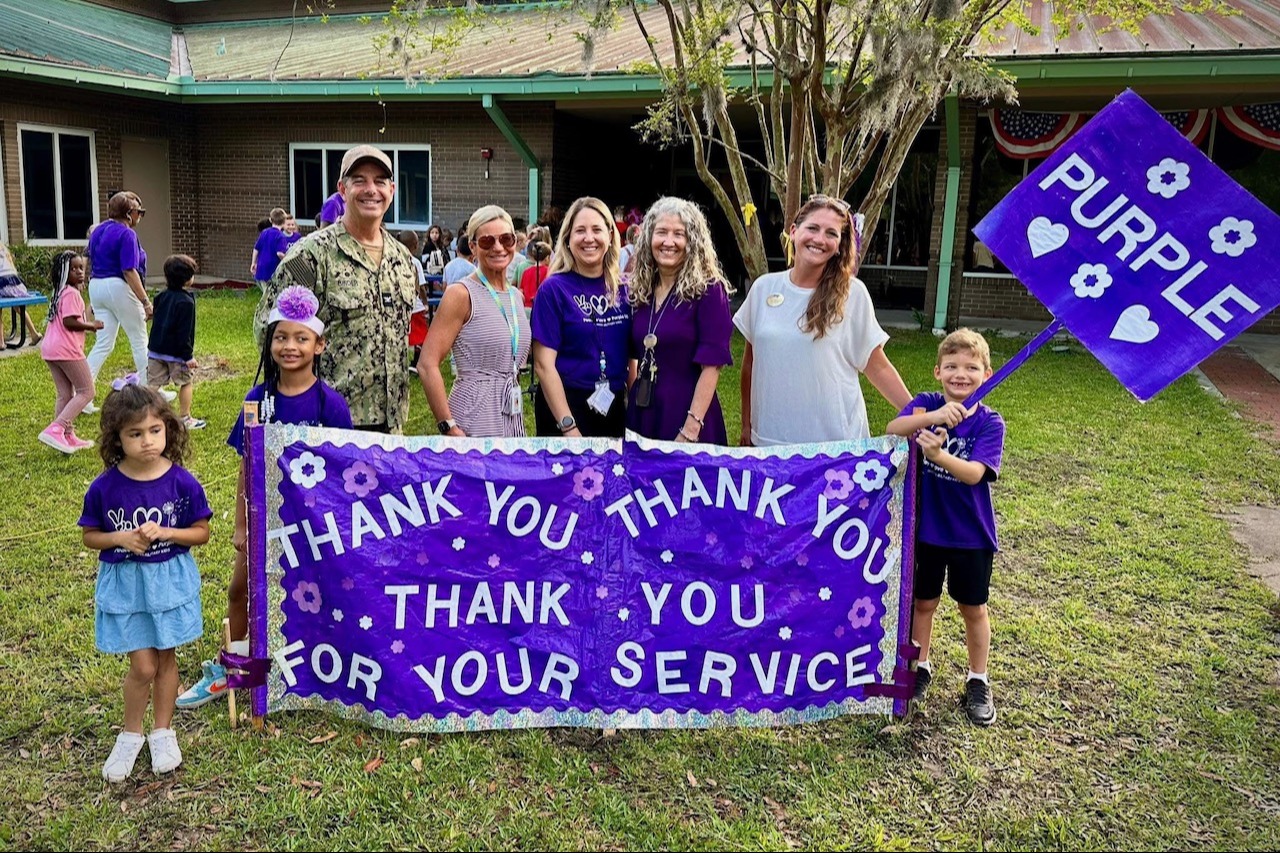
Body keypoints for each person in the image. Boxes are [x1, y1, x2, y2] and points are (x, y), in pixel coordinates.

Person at [178, 286, 352, 710]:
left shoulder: (332, 404)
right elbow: (244, 466)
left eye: (300, 338)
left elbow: (346, 471)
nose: (289, 346)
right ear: (269, 342)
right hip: (262, 515)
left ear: (319, 344)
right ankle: (236, 669)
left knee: (315, 593)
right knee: (240, 589)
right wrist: (241, 522)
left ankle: (320, 666)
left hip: (311, 522)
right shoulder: (257, 401)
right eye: (280, 337)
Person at [80, 381, 210, 781]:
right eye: (135, 434)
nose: (148, 441)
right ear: (117, 437)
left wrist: (168, 533)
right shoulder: (105, 487)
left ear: (168, 428)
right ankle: (130, 733)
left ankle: (163, 731)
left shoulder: (182, 481)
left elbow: (201, 532)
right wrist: (120, 537)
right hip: (129, 587)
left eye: (155, 430)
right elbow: (90, 536)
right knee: (142, 665)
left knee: (166, 659)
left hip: (168, 583)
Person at [886, 329, 1005, 726]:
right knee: (923, 603)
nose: (960, 374)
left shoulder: (990, 423)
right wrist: (935, 418)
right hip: (927, 532)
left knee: (973, 608)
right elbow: (892, 428)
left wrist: (937, 453)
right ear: (938, 370)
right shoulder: (926, 406)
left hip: (971, 536)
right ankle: (920, 667)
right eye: (952, 366)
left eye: (971, 367)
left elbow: (974, 474)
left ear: (986, 374)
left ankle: (977, 679)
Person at [255, 145, 417, 433]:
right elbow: (268, 330)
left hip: (392, 424)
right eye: (359, 181)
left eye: (380, 181)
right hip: (329, 424)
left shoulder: (402, 259)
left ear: (392, 189)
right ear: (342, 189)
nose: (371, 190)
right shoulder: (311, 256)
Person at [733, 195, 911, 445]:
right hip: (770, 442)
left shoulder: (852, 293)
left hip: (834, 448)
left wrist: (918, 413)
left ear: (839, 245)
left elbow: (877, 366)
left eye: (831, 233)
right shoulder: (763, 288)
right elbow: (750, 364)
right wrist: (746, 426)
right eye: (813, 228)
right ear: (793, 232)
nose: (819, 239)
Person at [626, 197, 733, 444]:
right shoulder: (641, 291)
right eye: (661, 232)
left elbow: (712, 367)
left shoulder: (708, 290)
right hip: (643, 414)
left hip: (689, 417)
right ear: (648, 239)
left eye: (679, 234)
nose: (669, 242)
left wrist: (690, 430)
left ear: (692, 242)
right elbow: (634, 356)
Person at [418, 205, 531, 438]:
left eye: (506, 239)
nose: (498, 247)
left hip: (511, 416)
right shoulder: (461, 294)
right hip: (473, 418)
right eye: (488, 241)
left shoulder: (516, 297)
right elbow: (427, 364)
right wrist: (448, 426)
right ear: (473, 246)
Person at [530, 196, 630, 438]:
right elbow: (544, 365)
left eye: (597, 230)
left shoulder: (625, 290)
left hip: (612, 404)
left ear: (609, 235)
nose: (589, 238)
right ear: (567, 238)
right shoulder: (553, 290)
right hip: (564, 405)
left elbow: (633, 357)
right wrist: (568, 426)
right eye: (580, 231)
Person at [86, 192, 157, 402]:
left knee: (104, 343)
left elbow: (89, 258)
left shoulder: (98, 230)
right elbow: (129, 270)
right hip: (117, 286)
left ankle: (83, 393)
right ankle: (149, 392)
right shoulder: (127, 234)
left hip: (96, 285)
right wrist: (145, 302)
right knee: (139, 339)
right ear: (128, 213)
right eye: (139, 212)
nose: (140, 216)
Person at [39, 251, 101, 452]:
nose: (79, 272)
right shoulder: (72, 294)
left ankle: (67, 436)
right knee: (87, 391)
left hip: (50, 349)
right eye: (73, 269)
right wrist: (90, 326)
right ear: (63, 272)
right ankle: (56, 428)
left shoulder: (59, 292)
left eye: (81, 267)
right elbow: (69, 322)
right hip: (67, 350)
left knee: (65, 394)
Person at [147, 255, 205, 430]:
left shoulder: (160, 296)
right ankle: (185, 417)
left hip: (156, 350)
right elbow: (184, 332)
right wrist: (187, 357)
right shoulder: (186, 302)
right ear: (188, 279)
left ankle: (140, 413)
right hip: (177, 355)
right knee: (186, 383)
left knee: (153, 385)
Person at [0, 238, 43, 348]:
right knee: (19, 307)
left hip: (3, 284)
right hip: (16, 283)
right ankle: (33, 333)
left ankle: (0, 341)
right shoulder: (3, 248)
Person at [399, 229, 429, 369]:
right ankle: (417, 361)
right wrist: (425, 303)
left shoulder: (394, 258)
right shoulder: (415, 262)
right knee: (421, 336)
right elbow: (421, 286)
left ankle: (402, 361)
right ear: (415, 245)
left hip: (400, 305)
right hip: (415, 305)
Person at [251, 208, 287, 286]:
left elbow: (256, 248)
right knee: (272, 294)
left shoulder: (264, 232)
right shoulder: (281, 236)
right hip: (272, 271)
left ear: (270, 220)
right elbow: (280, 253)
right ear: (284, 222)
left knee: (265, 292)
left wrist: (253, 263)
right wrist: (287, 261)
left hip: (261, 269)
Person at [520, 239, 551, 310]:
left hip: (526, 308)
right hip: (540, 308)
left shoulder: (526, 272)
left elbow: (521, 290)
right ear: (547, 258)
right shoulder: (549, 271)